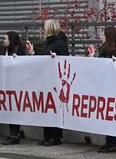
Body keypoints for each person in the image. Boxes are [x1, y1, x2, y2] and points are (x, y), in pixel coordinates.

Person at [36, 19, 69, 147]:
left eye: (45, 27)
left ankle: (55, 137)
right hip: (48, 78)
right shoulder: (49, 42)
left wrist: (56, 58)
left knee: (54, 108)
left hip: (55, 80)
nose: (43, 30)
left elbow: (65, 59)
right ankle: (47, 135)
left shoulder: (59, 43)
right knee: (47, 108)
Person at [96, 27, 116, 153]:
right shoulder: (104, 50)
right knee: (107, 115)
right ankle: (108, 141)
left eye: (103, 35)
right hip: (106, 86)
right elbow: (98, 64)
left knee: (115, 115)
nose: (101, 38)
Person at [0, 31, 27, 145]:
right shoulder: (6, 50)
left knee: (15, 111)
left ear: (11, 40)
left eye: (5, 39)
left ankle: (15, 135)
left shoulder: (19, 50)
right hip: (8, 84)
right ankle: (12, 134)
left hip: (17, 86)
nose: (3, 41)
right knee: (10, 110)